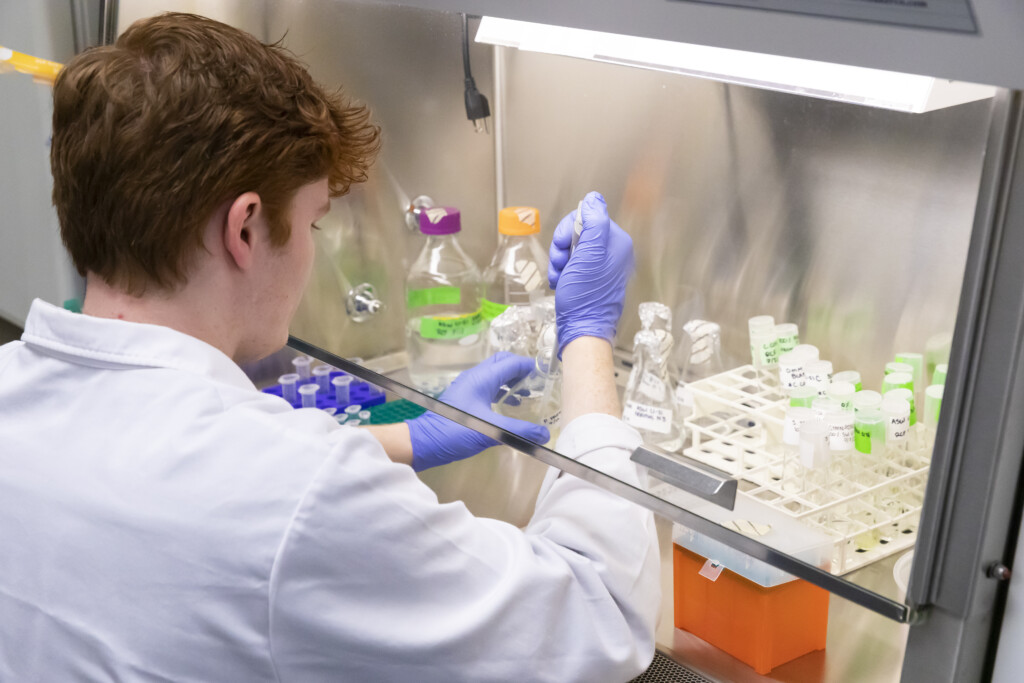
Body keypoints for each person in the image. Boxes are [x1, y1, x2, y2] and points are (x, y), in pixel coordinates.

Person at [0, 12, 660, 682]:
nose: (314, 249)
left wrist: (406, 441)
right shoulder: (299, 497)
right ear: (246, 228)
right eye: (313, 220)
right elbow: (601, 610)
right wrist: (587, 335)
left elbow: (151, 451)